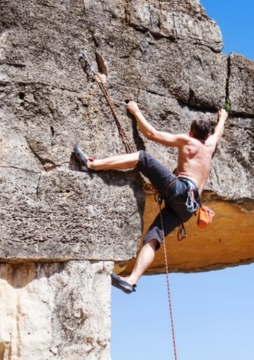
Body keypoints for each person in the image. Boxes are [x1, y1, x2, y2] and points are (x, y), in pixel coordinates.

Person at [74, 101, 228, 294]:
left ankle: (92, 165)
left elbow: (152, 134)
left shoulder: (188, 141)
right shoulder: (210, 145)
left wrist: (136, 111)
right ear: (207, 136)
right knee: (153, 239)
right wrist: (222, 117)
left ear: (191, 132)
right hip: (190, 208)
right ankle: (131, 280)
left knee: (142, 158)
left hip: (179, 189)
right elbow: (219, 132)